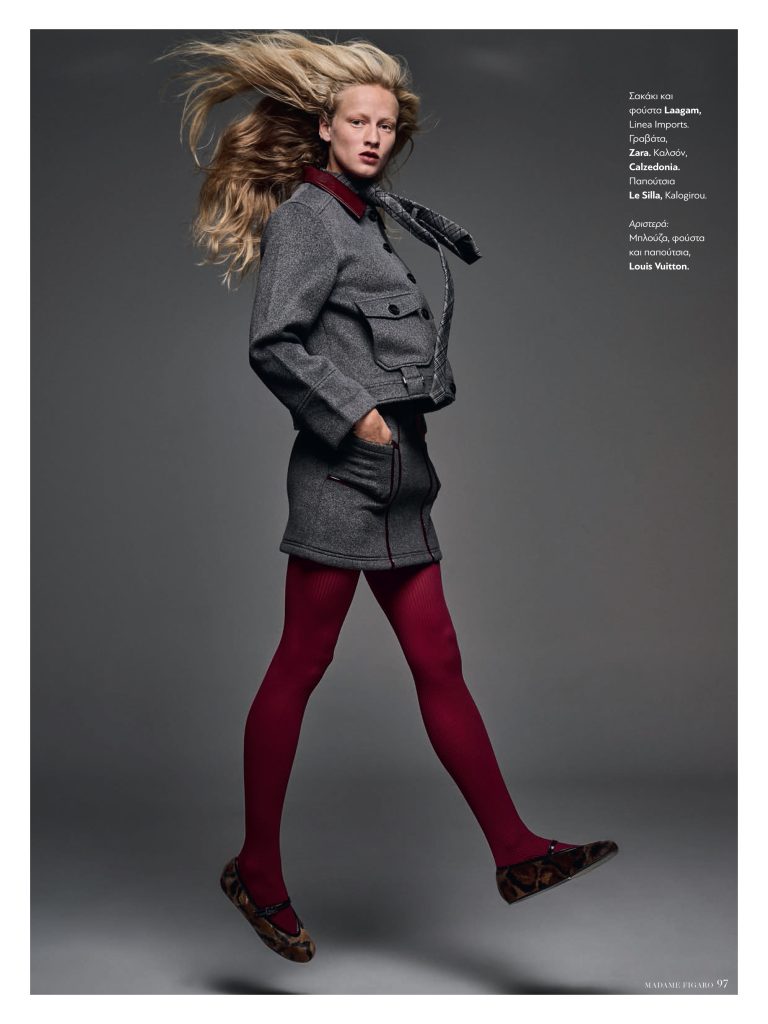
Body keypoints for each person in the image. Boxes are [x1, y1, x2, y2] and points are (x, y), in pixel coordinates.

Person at [163, 29, 618, 964]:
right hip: (344, 473)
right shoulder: (308, 220)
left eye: (385, 125)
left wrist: (394, 438)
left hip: (406, 479)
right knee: (301, 663)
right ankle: (257, 869)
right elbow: (274, 343)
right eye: (358, 121)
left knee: (439, 661)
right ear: (325, 128)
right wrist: (360, 418)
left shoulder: (368, 217)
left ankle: (515, 851)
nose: (373, 136)